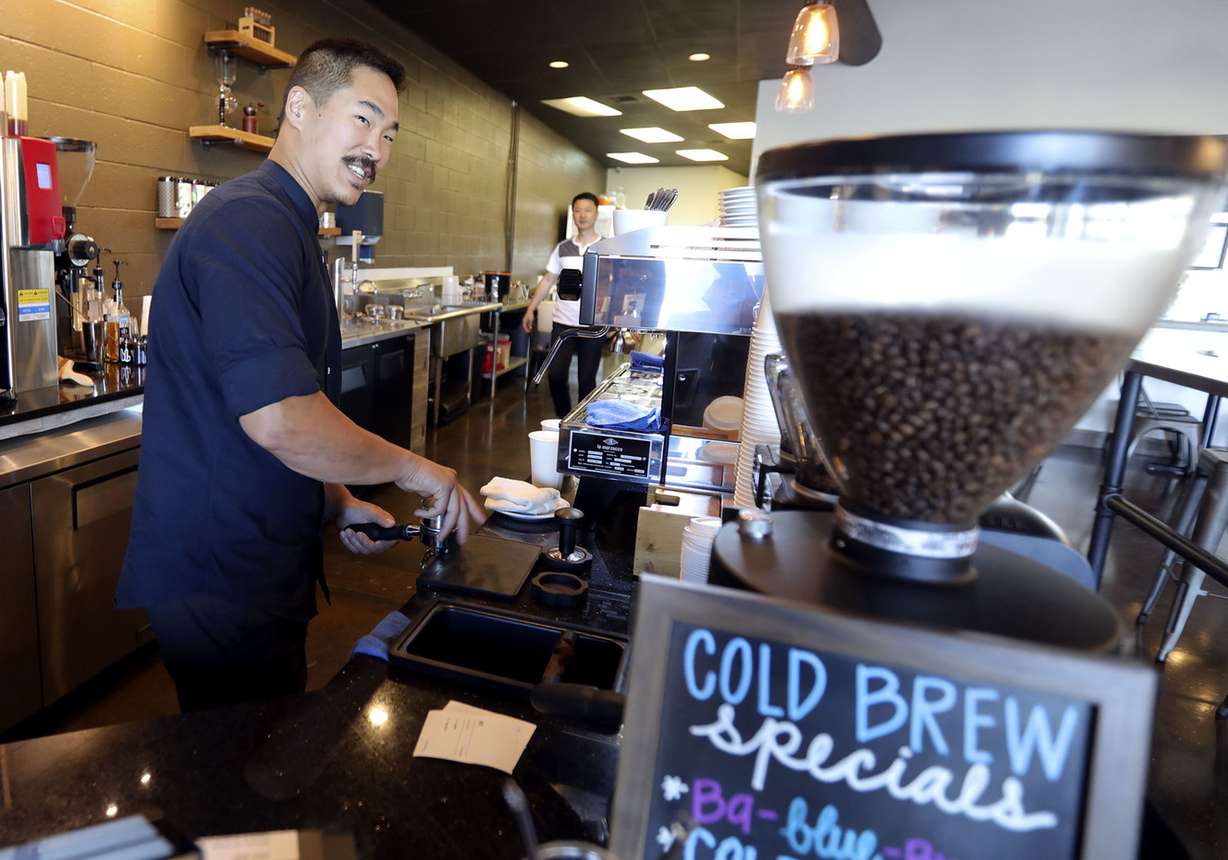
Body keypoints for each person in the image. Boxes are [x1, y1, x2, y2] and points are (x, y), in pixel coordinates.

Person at [116, 39, 485, 713]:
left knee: (256, 772)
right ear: (300, 107)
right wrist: (416, 470)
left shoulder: (287, 225)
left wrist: (335, 500)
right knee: (245, 784)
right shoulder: (248, 221)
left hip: (254, 561)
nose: (378, 147)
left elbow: (266, 421)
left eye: (391, 133)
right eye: (364, 119)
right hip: (221, 573)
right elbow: (280, 417)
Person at [522, 192, 605, 418]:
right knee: (556, 375)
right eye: (577, 210)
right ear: (573, 214)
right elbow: (548, 279)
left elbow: (615, 283)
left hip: (593, 325)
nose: (582, 215)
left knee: (587, 379)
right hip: (563, 323)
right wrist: (531, 309)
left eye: (587, 210)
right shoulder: (563, 248)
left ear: (596, 214)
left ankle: (581, 422)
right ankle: (564, 419)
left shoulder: (606, 247)